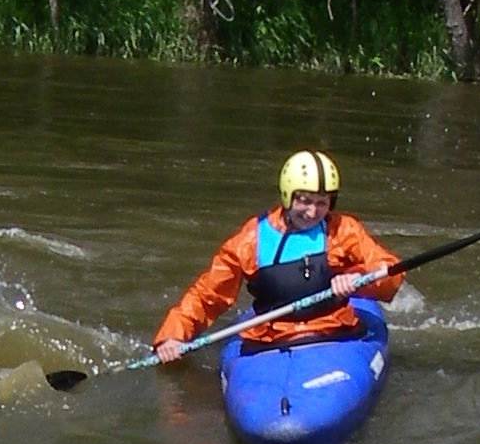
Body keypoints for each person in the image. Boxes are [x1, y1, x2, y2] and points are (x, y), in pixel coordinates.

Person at [154, 148, 401, 358]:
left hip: (334, 332)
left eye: (322, 203)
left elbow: (390, 271)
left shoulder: (343, 230)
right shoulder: (252, 239)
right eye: (304, 200)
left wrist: (359, 278)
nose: (313, 212)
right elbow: (208, 294)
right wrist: (173, 336)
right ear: (287, 195)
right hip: (270, 340)